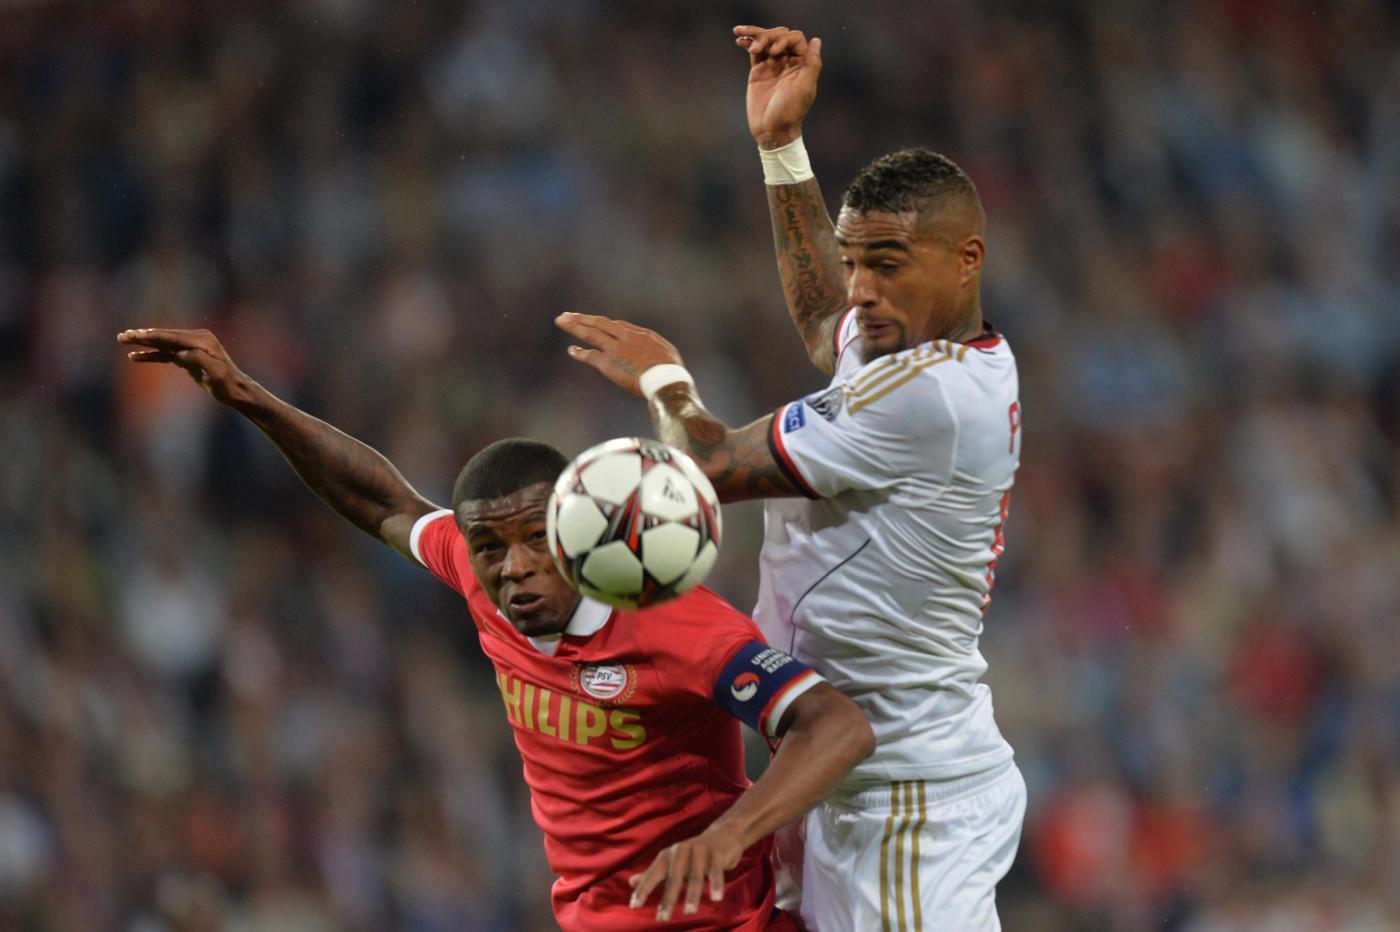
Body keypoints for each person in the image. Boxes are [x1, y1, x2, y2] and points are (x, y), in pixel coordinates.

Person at [115, 327, 875, 931]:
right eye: (489, 548)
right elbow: (383, 500)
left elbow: (836, 726)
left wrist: (728, 836)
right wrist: (250, 398)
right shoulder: (484, 583)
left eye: (535, 538)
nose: (514, 567)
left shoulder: (673, 620)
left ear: (576, 524)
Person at [554, 23, 1026, 931]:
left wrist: (664, 379)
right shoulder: (909, 346)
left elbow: (706, 470)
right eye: (853, 262)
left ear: (967, 259)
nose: (859, 289)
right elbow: (822, 324)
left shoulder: (927, 396)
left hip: (908, 802)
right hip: (842, 779)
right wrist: (781, 147)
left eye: (885, 265)